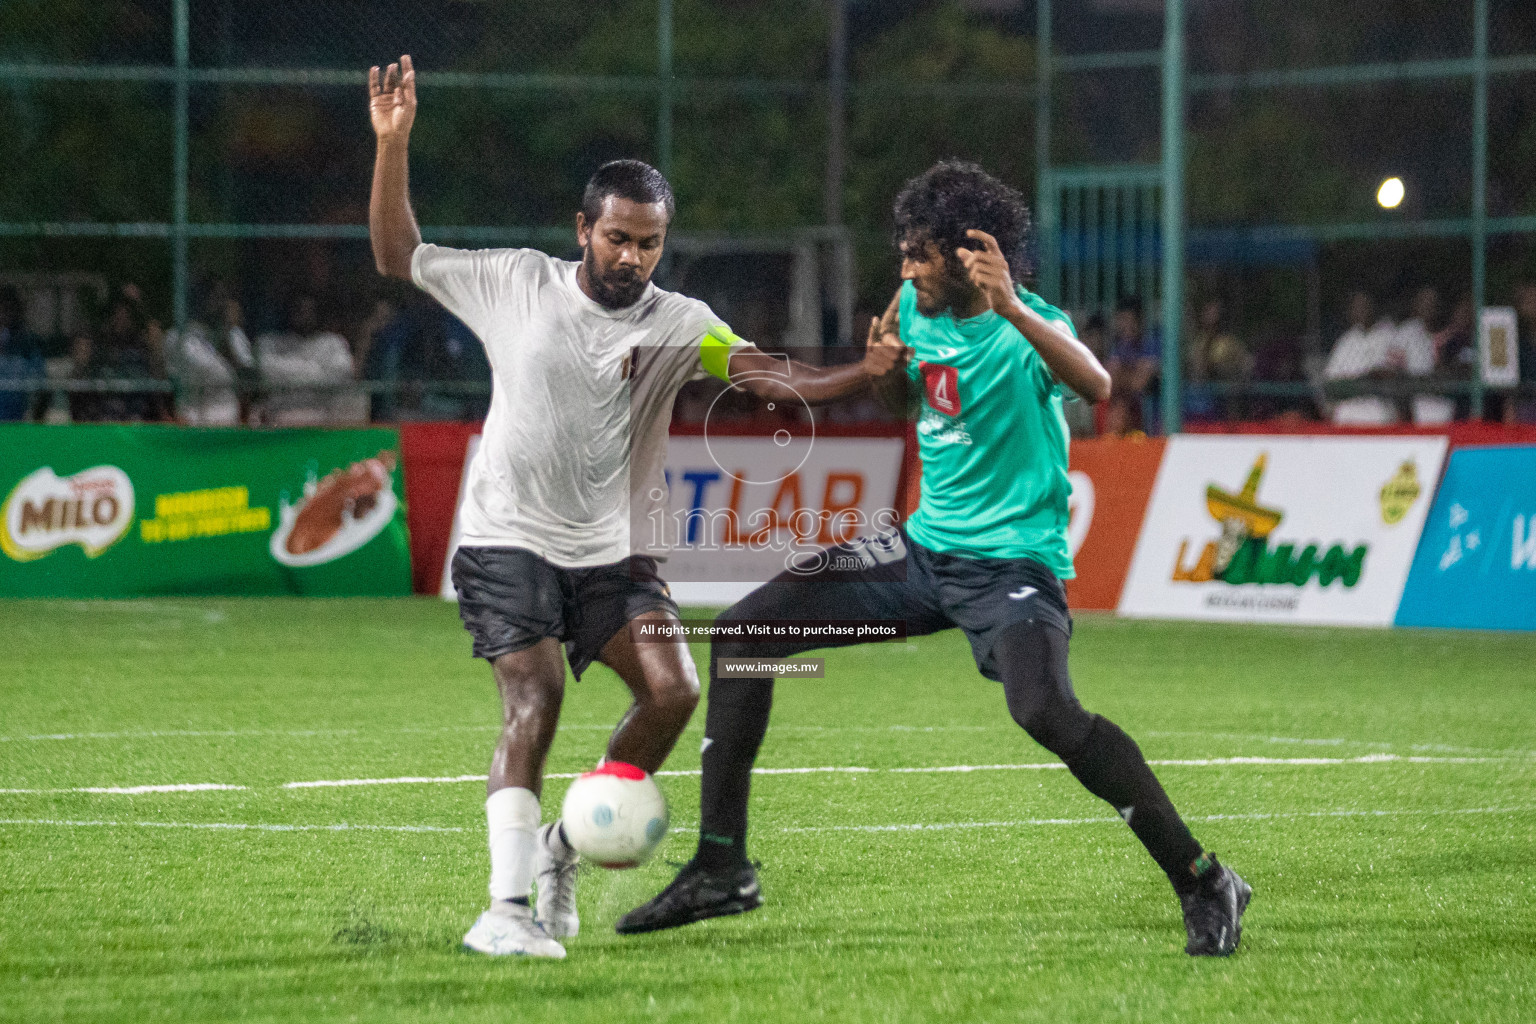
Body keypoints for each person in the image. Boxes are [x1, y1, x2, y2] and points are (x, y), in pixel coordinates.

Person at [618, 160, 1253, 957]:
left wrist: (1015, 305)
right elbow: (907, 402)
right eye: (904, 251)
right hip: (921, 553)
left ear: (970, 255)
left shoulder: (1027, 328)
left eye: (921, 254)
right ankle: (721, 867)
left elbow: (1092, 385)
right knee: (746, 637)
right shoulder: (911, 312)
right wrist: (882, 372)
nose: (907, 267)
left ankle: (1204, 879)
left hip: (1012, 569)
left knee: (1045, 712)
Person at [366, 54, 903, 959]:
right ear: (583, 229)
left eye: (649, 242)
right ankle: (503, 911)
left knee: (672, 691)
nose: (633, 256)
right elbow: (395, 254)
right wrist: (393, 147)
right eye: (618, 238)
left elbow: (768, 375)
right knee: (531, 699)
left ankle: (562, 848)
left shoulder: (680, 321)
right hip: (506, 538)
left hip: (612, 554)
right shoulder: (516, 282)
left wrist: (862, 372)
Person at [255, 292, 364, 426]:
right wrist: (316, 369)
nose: (304, 315)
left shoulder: (333, 342)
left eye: (309, 311)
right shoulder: (271, 342)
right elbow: (266, 371)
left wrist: (288, 372)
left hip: (321, 420)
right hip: (279, 419)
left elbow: (339, 378)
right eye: (299, 310)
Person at [69, 284, 172, 423]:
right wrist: (80, 363)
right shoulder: (97, 344)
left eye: (128, 311)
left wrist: (156, 352)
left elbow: (161, 382)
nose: (121, 316)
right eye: (117, 310)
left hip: (138, 417)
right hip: (102, 417)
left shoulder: (144, 344)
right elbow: (77, 384)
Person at [163, 277, 256, 426]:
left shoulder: (234, 336)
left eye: (222, 299)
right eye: (215, 298)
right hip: (191, 422)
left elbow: (248, 380)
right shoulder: (178, 337)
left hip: (228, 421)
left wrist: (226, 335)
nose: (220, 304)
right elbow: (172, 380)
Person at [1322, 290, 1401, 425]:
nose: (1360, 310)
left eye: (1364, 305)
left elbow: (1390, 374)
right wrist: (1364, 378)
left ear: (1373, 306)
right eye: (1356, 306)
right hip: (1347, 415)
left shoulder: (1390, 334)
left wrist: (1360, 380)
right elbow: (1331, 382)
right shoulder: (1346, 340)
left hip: (1378, 414)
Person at [1104, 296, 1160, 433]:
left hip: (1153, 416)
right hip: (1127, 411)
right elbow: (1109, 381)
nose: (1126, 326)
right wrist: (1133, 372)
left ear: (1140, 320)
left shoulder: (1153, 343)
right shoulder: (1119, 345)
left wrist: (1123, 373)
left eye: (1130, 320)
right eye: (1122, 320)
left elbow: (1139, 384)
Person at [0, 286, 45, 422]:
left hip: (17, 417)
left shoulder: (27, 343)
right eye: (2, 308)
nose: (3, 314)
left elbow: (39, 382)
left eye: (8, 308)